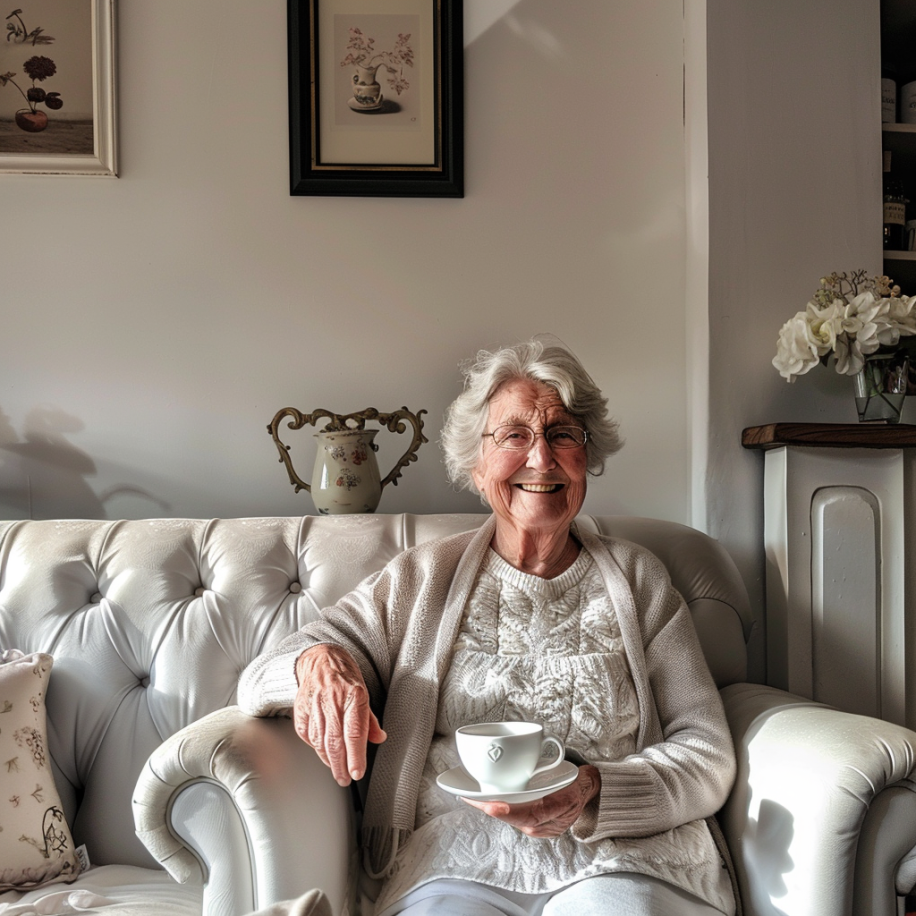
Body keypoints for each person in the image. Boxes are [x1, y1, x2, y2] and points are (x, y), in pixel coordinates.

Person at [238, 340, 737, 916]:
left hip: (621, 855)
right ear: (476, 467)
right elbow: (261, 679)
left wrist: (593, 791)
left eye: (562, 434)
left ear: (588, 457)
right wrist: (319, 664)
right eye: (514, 435)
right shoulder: (423, 578)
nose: (542, 459)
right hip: (456, 856)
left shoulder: (638, 579)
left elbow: (707, 755)